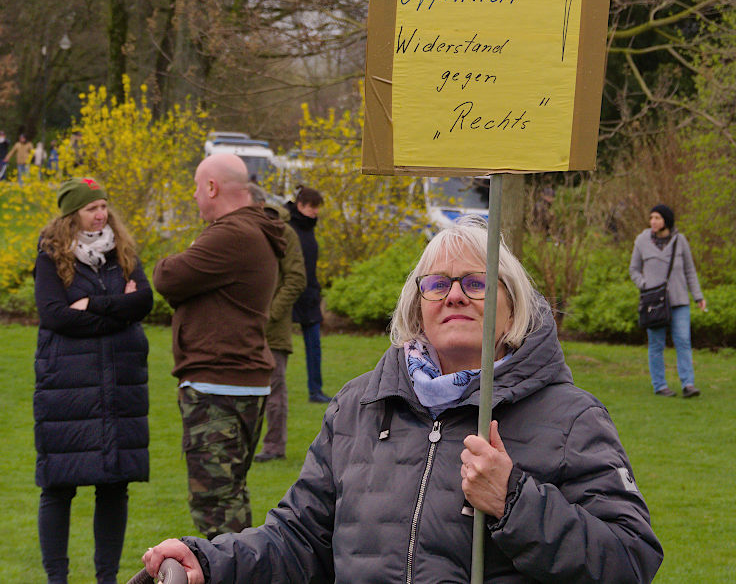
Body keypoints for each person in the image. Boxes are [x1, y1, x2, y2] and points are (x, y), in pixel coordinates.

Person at [142, 217, 663, 584]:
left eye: (477, 283)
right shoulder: (360, 406)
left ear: (513, 304)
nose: (454, 295)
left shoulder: (571, 417)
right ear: (417, 305)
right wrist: (208, 562)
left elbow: (630, 559)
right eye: (436, 284)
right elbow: (299, 539)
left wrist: (515, 501)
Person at [153, 154, 286, 538]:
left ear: (212, 187)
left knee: (215, 505)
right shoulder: (250, 231)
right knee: (229, 497)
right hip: (238, 380)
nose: (195, 196)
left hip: (219, 386)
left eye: (197, 188)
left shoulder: (232, 234)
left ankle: (231, 572)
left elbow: (168, 276)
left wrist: (190, 250)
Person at [33, 177, 152, 584]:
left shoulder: (123, 251)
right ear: (72, 215)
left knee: (114, 483)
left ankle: (107, 578)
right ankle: (57, 579)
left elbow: (144, 302)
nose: (101, 214)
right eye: (91, 208)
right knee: (58, 486)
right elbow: (55, 315)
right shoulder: (51, 257)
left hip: (119, 387)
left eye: (104, 206)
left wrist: (94, 305)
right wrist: (118, 313)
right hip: (66, 386)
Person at [247, 184, 307, 462]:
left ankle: (274, 447)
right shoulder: (240, 230)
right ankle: (242, 444)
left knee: (273, 389)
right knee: (241, 389)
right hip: (240, 327)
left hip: (272, 330)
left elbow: (296, 279)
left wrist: (268, 314)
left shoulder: (284, 232)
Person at [629, 203, 706, 398]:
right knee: (656, 344)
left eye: (657, 218)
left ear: (667, 221)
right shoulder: (642, 240)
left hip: (679, 301)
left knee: (683, 341)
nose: (653, 222)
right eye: (651, 218)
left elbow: (690, 271)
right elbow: (634, 270)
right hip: (653, 303)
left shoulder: (680, 241)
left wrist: (698, 296)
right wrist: (645, 285)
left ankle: (688, 384)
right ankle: (660, 386)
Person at [288, 185, 331, 402]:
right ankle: (269, 388)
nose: (316, 211)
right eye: (312, 207)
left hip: (309, 296)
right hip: (288, 295)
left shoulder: (308, 228)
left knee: (314, 346)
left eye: (317, 207)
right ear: (300, 205)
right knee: (278, 347)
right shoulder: (288, 228)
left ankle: (315, 391)